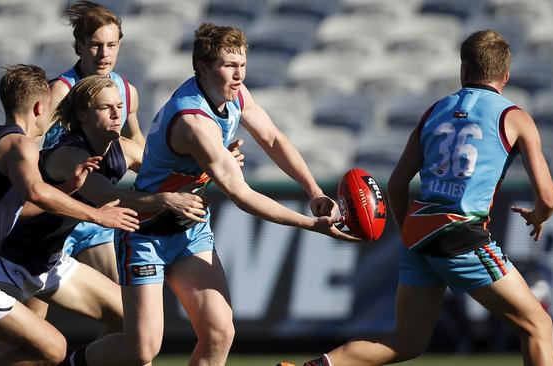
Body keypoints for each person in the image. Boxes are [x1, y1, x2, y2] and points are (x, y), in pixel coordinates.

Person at [58, 23, 359, 366]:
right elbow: (240, 193)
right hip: (147, 233)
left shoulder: (234, 94)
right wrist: (309, 223)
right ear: (201, 68)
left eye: (242, 65)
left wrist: (314, 190)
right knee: (141, 350)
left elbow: (272, 138)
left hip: (190, 227)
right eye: (229, 66)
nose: (238, 75)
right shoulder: (192, 121)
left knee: (219, 331)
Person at [294, 29, 553, 366]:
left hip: (418, 234)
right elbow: (548, 198)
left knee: (406, 341)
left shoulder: (436, 110)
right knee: (538, 325)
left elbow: (398, 183)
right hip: (462, 234)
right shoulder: (515, 117)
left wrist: (408, 232)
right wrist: (538, 215)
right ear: (506, 75)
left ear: (463, 70)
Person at [0, 75, 211, 365]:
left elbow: (169, 179)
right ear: (82, 114)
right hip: (6, 263)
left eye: (120, 106)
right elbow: (107, 197)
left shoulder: (124, 148)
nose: (117, 113)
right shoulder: (69, 155)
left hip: (52, 263)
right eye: (106, 107)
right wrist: (166, 200)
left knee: (135, 328)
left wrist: (215, 165)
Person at [0, 64, 139, 366]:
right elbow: (36, 192)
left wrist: (69, 187)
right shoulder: (20, 144)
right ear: (39, 106)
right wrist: (98, 216)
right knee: (53, 349)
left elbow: (22, 208)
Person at [44, 0, 145, 286]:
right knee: (31, 318)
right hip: (56, 213)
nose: (104, 54)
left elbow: (135, 138)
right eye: (95, 45)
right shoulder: (61, 90)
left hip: (96, 216)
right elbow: (30, 143)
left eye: (111, 45)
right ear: (78, 46)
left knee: (124, 310)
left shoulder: (125, 91)